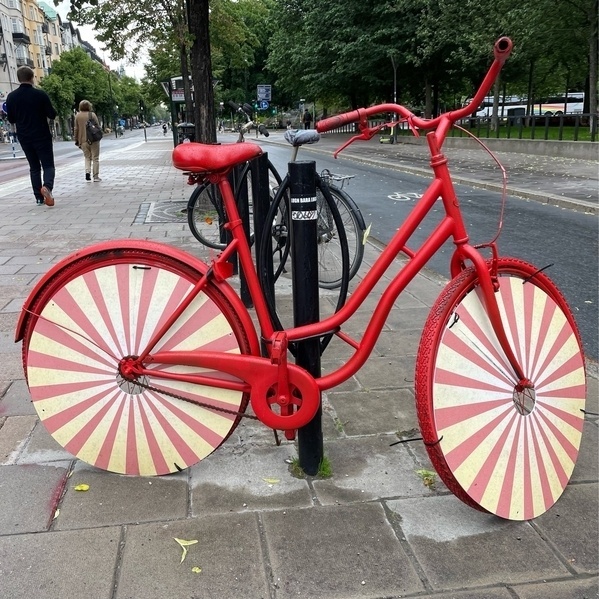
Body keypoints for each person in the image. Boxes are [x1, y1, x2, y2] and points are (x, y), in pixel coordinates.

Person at [6, 65, 57, 206]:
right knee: (48, 165)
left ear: (19, 79)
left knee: (34, 167)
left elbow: (11, 119)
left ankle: (38, 198)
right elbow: (52, 114)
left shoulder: (11, 97)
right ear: (32, 78)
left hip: (24, 136)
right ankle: (47, 187)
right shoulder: (40, 94)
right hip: (42, 135)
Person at [74, 100, 102, 182]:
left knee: (87, 157)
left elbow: (76, 129)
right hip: (93, 139)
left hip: (83, 140)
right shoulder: (92, 115)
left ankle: (87, 172)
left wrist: (76, 139)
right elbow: (97, 126)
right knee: (95, 158)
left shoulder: (77, 116)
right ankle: (96, 176)